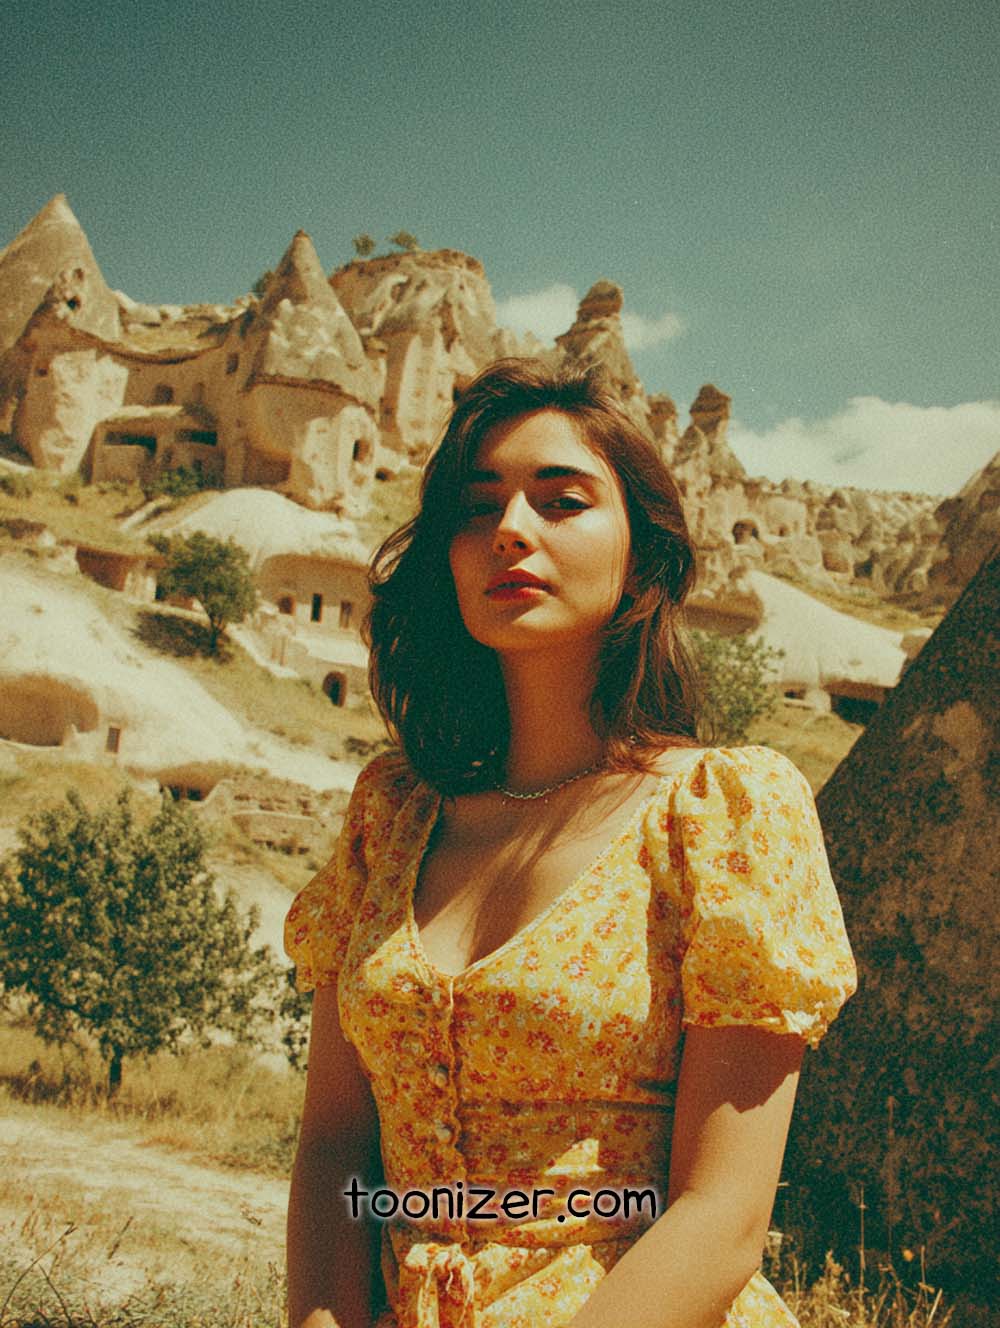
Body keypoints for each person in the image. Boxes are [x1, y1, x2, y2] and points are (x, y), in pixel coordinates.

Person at [284, 358, 857, 1328]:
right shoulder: (391, 814)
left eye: (561, 500)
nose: (509, 529)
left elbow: (720, 1216)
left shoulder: (722, 813)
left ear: (643, 555)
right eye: (477, 507)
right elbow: (337, 1145)